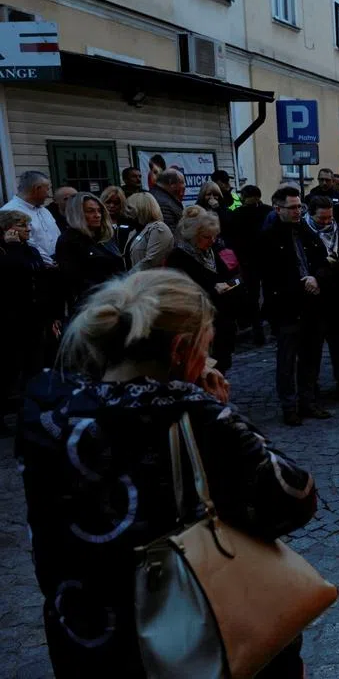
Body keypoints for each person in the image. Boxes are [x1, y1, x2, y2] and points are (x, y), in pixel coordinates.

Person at [16, 269, 316, 678]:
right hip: (195, 636)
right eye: (205, 344)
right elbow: (292, 498)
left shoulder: (47, 411)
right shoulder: (189, 413)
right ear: (179, 350)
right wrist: (221, 411)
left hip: (88, 634)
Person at [260, 186, 335, 425]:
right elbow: (270, 276)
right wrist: (303, 283)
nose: (297, 211)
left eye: (299, 206)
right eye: (292, 207)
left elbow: (324, 262)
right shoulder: (269, 236)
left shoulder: (306, 232)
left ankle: (308, 401)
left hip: (313, 305)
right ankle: (289, 406)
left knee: (311, 357)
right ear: (278, 208)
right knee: (287, 360)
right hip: (287, 308)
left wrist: (317, 278)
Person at [0, 210, 62, 416]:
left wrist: (52, 315)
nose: (28, 229)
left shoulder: (31, 250)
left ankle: (33, 407)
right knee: (12, 367)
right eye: (22, 226)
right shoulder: (7, 252)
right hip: (13, 318)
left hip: (36, 317)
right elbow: (15, 274)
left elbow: (42, 282)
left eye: (27, 225)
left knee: (35, 364)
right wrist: (13, 248)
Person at [165, 206, 240, 373]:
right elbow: (181, 294)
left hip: (220, 324)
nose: (212, 241)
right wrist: (214, 291)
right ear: (193, 236)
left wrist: (230, 284)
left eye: (215, 236)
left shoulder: (211, 252)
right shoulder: (178, 258)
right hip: (197, 327)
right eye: (207, 237)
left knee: (222, 367)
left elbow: (234, 277)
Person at [305, 196, 339, 401]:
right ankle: (311, 386)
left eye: (329, 217)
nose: (326, 222)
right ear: (311, 213)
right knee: (313, 346)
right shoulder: (304, 233)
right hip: (315, 299)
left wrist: (337, 264)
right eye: (322, 218)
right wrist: (326, 267)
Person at [55, 193, 126, 313]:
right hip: (91, 306)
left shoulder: (105, 237)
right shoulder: (70, 241)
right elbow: (74, 280)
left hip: (116, 300)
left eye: (99, 211)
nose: (97, 215)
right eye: (90, 211)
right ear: (78, 213)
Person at [228, 185, 273, 344]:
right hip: (265, 259)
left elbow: (232, 238)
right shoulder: (267, 211)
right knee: (267, 293)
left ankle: (258, 329)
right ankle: (267, 328)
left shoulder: (238, 214)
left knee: (254, 296)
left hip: (249, 260)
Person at [1, 170, 61, 264]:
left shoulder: (44, 211)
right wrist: (52, 264)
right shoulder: (11, 212)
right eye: (47, 189)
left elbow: (57, 235)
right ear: (36, 188)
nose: (49, 194)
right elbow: (29, 244)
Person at [125, 192, 174, 271]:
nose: (127, 212)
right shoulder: (135, 231)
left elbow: (151, 261)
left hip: (152, 281)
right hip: (135, 280)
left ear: (141, 209)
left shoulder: (159, 229)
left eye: (130, 209)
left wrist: (125, 278)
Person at [99, 186, 136, 255]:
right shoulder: (97, 221)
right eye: (108, 202)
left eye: (116, 203)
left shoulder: (129, 221)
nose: (112, 205)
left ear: (121, 204)